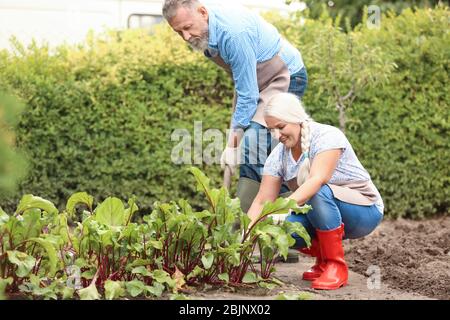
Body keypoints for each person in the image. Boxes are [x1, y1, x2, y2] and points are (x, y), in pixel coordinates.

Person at [162, 0, 308, 213]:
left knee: (254, 144)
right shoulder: (206, 28)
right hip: (259, 82)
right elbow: (244, 81)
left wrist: (231, 145)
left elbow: (248, 96)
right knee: (252, 151)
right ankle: (246, 224)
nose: (185, 37)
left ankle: (289, 220)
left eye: (187, 27)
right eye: (178, 32)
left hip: (285, 76)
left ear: (202, 12)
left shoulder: (233, 33)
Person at [247, 92, 384, 290]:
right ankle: (322, 262)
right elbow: (261, 200)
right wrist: (246, 234)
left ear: (296, 119)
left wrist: (285, 207)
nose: (277, 135)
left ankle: (336, 267)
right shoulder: (278, 155)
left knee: (317, 191)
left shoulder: (327, 136)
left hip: (364, 211)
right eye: (271, 130)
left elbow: (318, 180)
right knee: (275, 228)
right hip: (322, 211)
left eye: (281, 127)